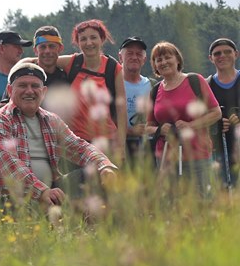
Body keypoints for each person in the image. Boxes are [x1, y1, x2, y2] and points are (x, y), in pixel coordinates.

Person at [0, 61, 118, 215]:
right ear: (10, 90)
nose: (29, 91)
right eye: (22, 85)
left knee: (95, 174)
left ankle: (95, 228)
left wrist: (104, 165)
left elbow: (79, 147)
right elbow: (11, 166)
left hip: (49, 195)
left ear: (44, 91)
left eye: (35, 86)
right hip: (8, 203)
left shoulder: (51, 120)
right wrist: (42, 191)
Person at [146, 42, 221, 197]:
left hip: (197, 154)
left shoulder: (195, 81)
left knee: (202, 202)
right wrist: (161, 129)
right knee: (171, 205)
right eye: (159, 60)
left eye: (168, 57)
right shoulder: (155, 90)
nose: (164, 62)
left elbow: (216, 113)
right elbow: (148, 126)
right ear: (155, 65)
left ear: (178, 60)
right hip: (166, 157)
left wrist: (190, 125)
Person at [53, 19, 127, 161]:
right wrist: (20, 64)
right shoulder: (73, 63)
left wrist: (121, 146)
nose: (89, 43)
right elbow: (44, 61)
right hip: (76, 143)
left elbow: (121, 109)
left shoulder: (113, 68)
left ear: (102, 39)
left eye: (93, 37)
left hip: (107, 144)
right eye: (83, 39)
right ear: (77, 43)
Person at [207, 38, 239, 187]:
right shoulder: (207, 85)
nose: (222, 56)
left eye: (227, 52)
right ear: (211, 58)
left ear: (236, 54)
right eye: (217, 53)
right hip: (219, 153)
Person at [118, 37, 154, 165]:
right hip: (117, 149)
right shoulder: (110, 84)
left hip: (146, 150)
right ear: (120, 57)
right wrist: (128, 131)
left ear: (144, 59)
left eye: (139, 54)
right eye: (129, 53)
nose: (134, 57)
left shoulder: (152, 86)